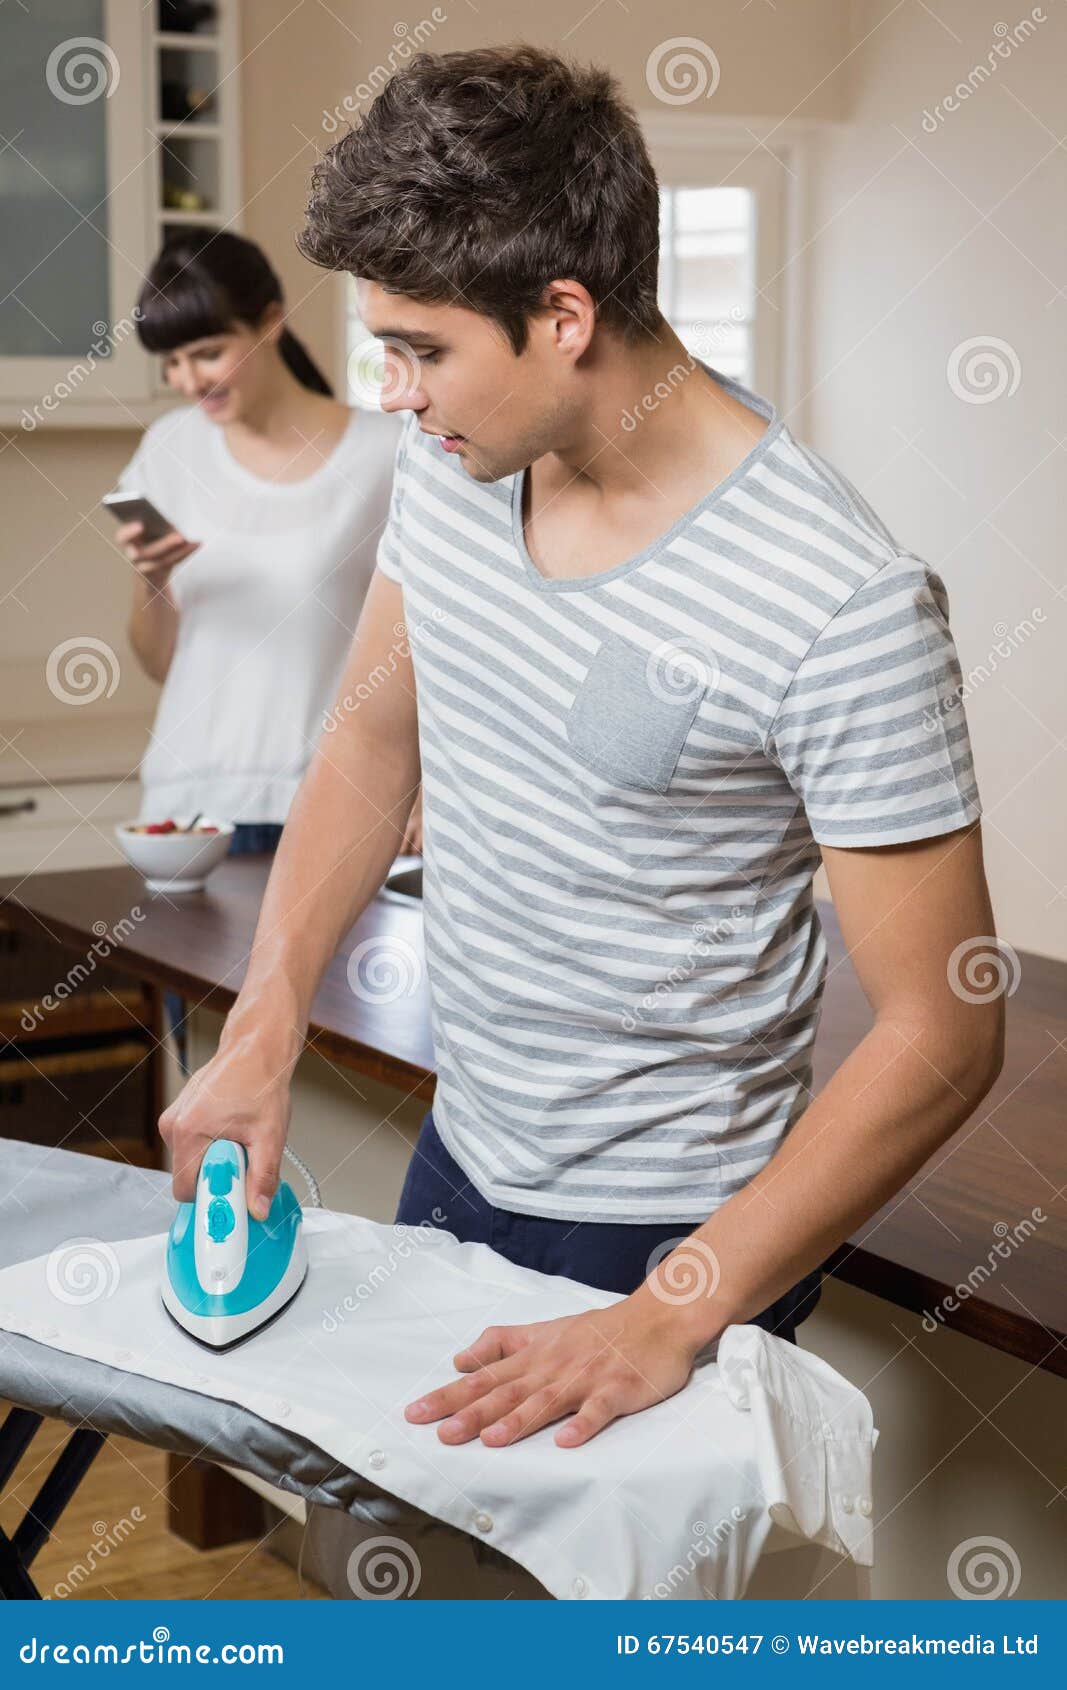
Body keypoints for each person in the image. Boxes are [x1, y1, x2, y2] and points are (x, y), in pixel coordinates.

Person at [159, 48, 1004, 1452]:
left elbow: (942, 1026)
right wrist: (265, 1020)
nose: (397, 395)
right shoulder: (451, 469)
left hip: (674, 1226)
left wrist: (678, 1305)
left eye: (422, 351)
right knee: (437, 1609)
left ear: (561, 314)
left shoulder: (836, 601)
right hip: (463, 1151)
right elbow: (371, 745)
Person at [113, 231, 419, 1065]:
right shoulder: (165, 454)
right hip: (190, 810)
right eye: (171, 363)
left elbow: (424, 644)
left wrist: (423, 783)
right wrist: (150, 582)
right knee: (209, 1073)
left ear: (272, 320)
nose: (187, 382)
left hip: (327, 805)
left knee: (333, 1066)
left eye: (206, 353)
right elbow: (159, 659)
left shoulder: (385, 455)